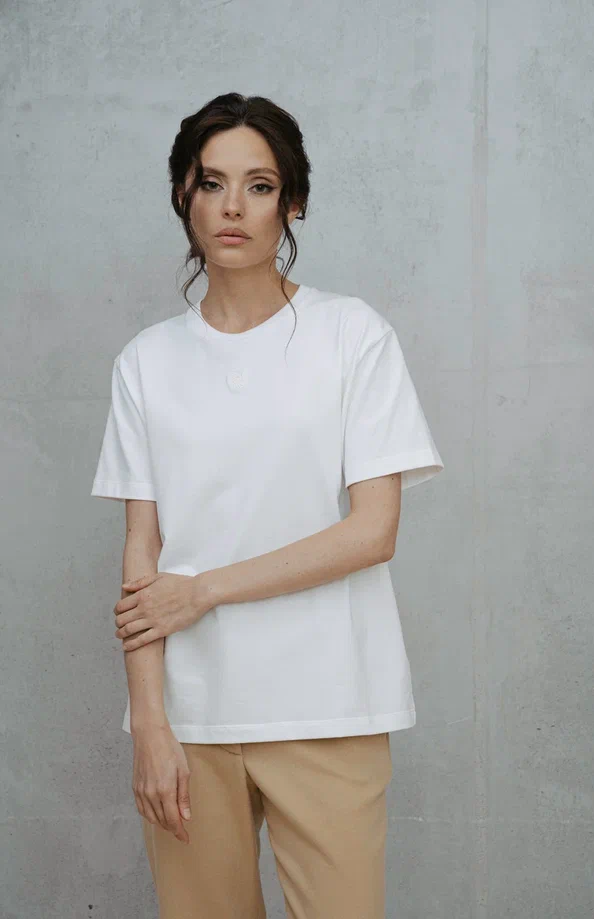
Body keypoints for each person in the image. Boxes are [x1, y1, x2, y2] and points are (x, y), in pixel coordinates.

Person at [90, 92, 444, 919]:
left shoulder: (352, 336)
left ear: (293, 202)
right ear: (184, 195)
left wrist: (204, 590)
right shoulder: (146, 362)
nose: (232, 207)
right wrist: (150, 722)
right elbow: (141, 554)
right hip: (191, 717)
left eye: (259, 185)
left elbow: (373, 531)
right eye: (212, 183)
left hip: (330, 701)